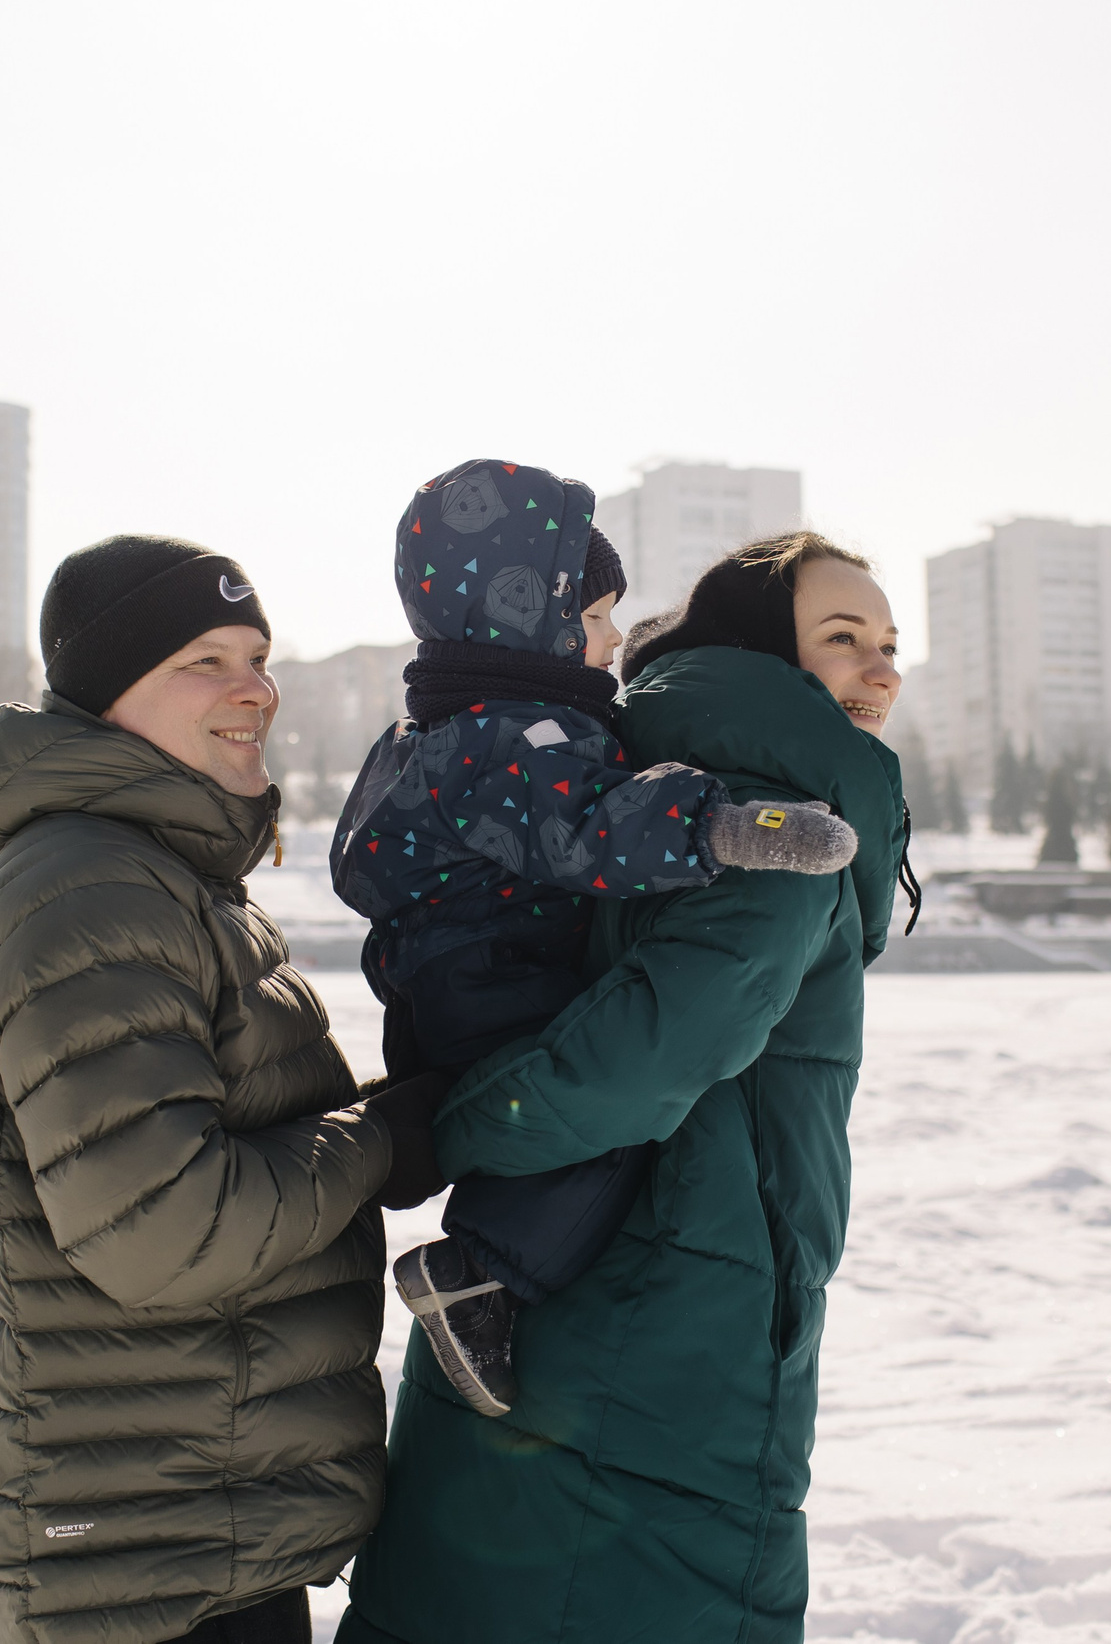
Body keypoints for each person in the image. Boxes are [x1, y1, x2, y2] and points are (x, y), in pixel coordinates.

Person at [338, 531, 915, 1644]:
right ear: (758, 655)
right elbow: (644, 1052)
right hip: (659, 1333)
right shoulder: (776, 821)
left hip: (578, 1302)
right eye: (840, 640)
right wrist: (461, 1129)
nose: (880, 669)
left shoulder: (653, 780)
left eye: (889, 644)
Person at [0, 534, 439, 1644]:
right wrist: (378, 1144)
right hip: (143, 1559)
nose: (252, 688)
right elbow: (159, 1226)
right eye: (201, 661)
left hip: (186, 1522)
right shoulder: (90, 888)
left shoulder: (158, 877)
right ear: (109, 695)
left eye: (257, 655)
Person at [330, 458, 859, 1418]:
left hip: (437, 977)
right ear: (525, 619)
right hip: (499, 971)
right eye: (597, 618)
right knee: (592, 1119)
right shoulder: (518, 737)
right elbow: (595, 826)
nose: (613, 640)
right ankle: (480, 1271)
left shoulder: (441, 730)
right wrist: (726, 823)